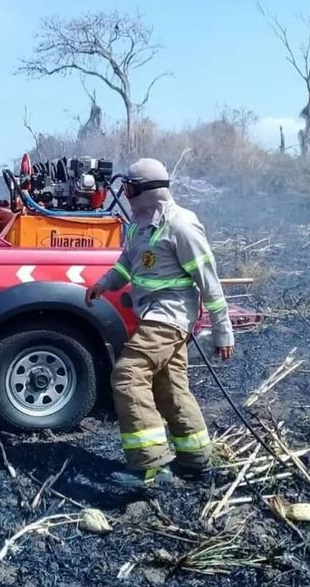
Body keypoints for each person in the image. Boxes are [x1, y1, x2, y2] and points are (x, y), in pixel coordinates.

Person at [85, 158, 234, 488]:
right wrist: (104, 284)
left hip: (170, 317)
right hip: (152, 315)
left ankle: (149, 467)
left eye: (129, 189)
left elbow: (209, 281)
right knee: (169, 386)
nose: (125, 195)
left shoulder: (181, 225)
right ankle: (195, 459)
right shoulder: (139, 226)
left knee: (128, 374)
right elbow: (127, 263)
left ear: (143, 190)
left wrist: (223, 332)